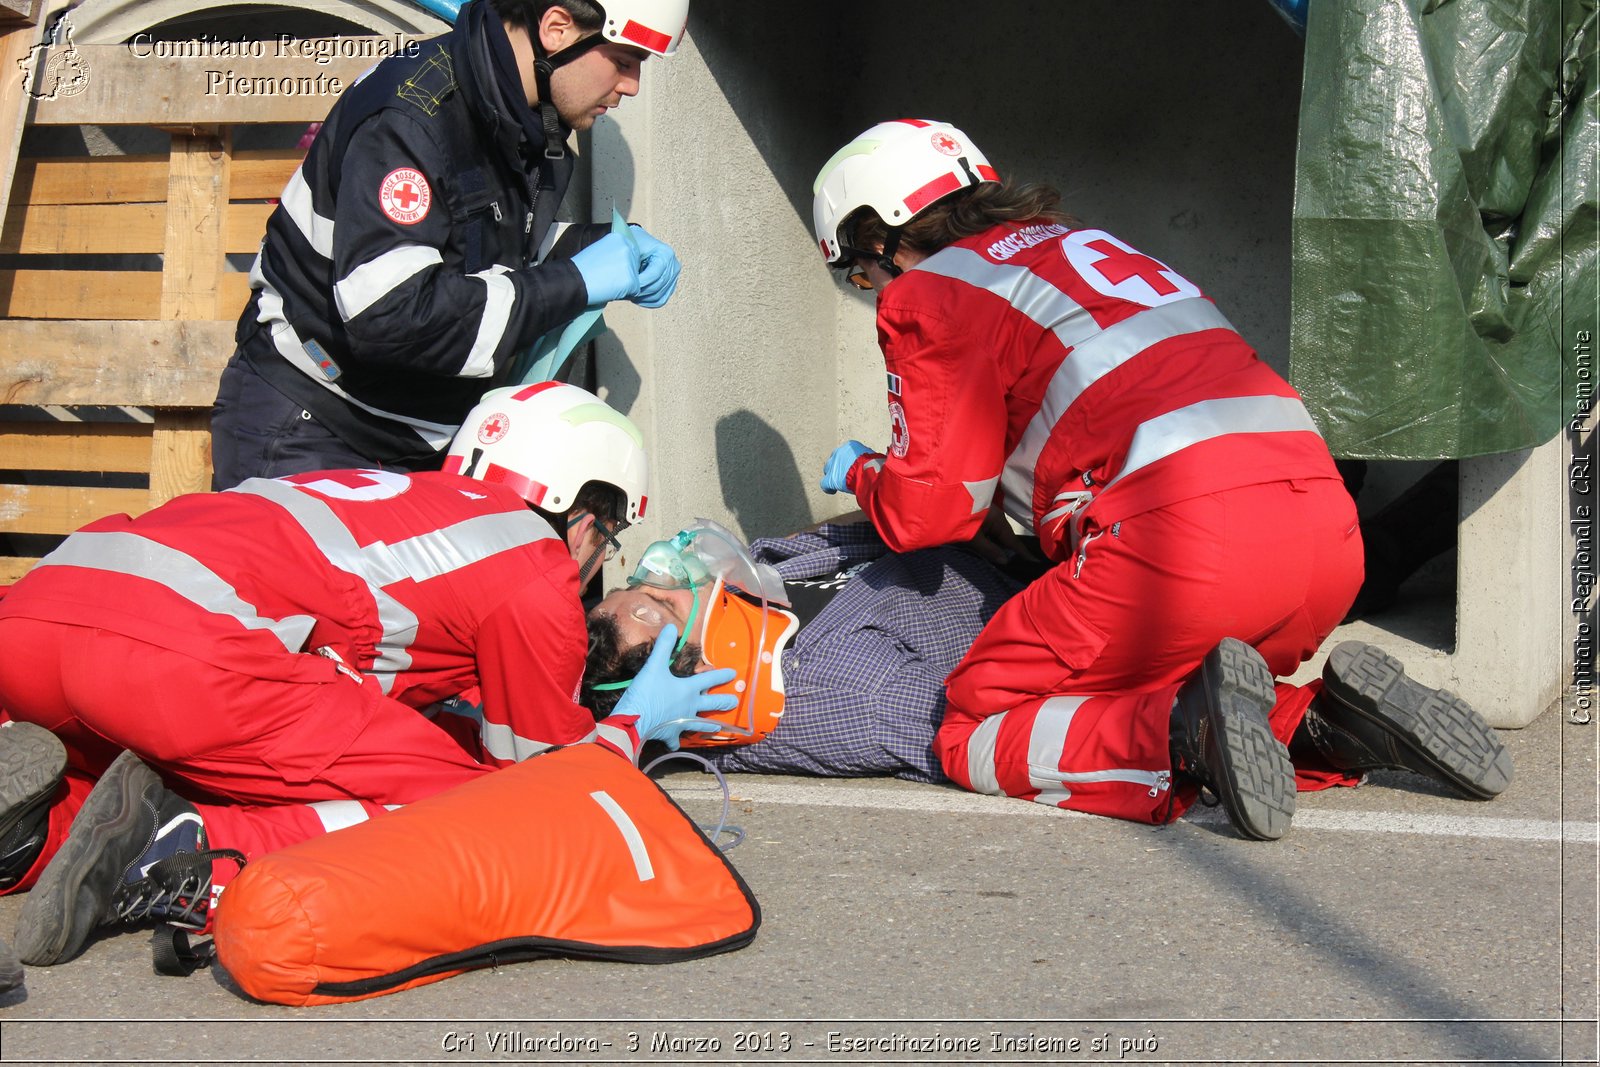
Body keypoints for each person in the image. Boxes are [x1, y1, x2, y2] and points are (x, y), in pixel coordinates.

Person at [808, 119, 1512, 839]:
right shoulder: (1081, 246)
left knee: (972, 725)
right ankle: (1329, 724)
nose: (872, 291)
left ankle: (1181, 731)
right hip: (1324, 545)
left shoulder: (930, 293)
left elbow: (927, 516)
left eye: (861, 274)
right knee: (1142, 679)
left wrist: (866, 472)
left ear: (882, 232)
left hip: (1182, 556)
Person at [0, 384, 734, 967]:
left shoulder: (406, 500)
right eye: (608, 535)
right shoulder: (534, 565)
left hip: (39, 616)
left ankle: (31, 836)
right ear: (584, 508)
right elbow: (542, 793)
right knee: (467, 814)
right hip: (181, 655)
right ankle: (171, 848)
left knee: (208, 761)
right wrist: (631, 728)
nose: (600, 562)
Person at [210, 0, 691, 488]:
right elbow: (392, 315)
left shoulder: (519, 115)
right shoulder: (409, 119)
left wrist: (607, 247)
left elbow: (490, 247)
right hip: (313, 422)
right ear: (557, 29)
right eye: (625, 61)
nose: (631, 85)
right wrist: (576, 280)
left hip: (419, 437)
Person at [581, 520, 1024, 781]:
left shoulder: (746, 595)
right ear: (698, 673)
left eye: (635, 584)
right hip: (1044, 595)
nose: (665, 579)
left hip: (1009, 543)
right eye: (658, 604)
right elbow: (989, 740)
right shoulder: (851, 694)